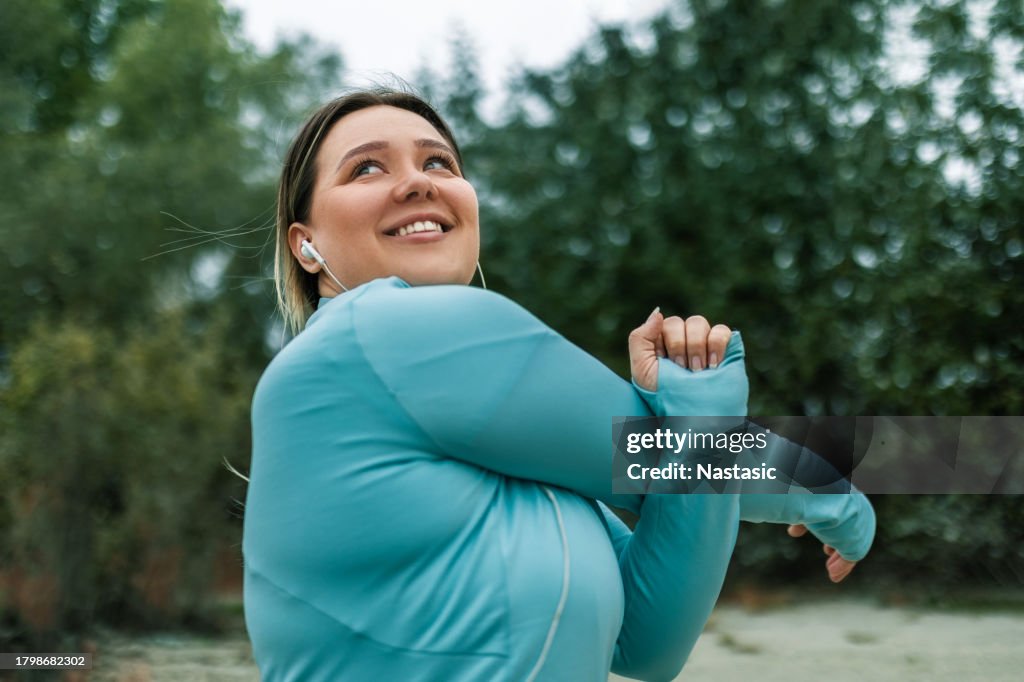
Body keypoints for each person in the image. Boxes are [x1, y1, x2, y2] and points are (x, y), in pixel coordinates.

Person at [242, 87, 875, 681]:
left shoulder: (505, 446)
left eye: (439, 162)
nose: (417, 182)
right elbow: (651, 452)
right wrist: (828, 490)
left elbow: (648, 644)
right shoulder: (379, 331)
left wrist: (699, 410)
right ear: (305, 245)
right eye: (367, 169)